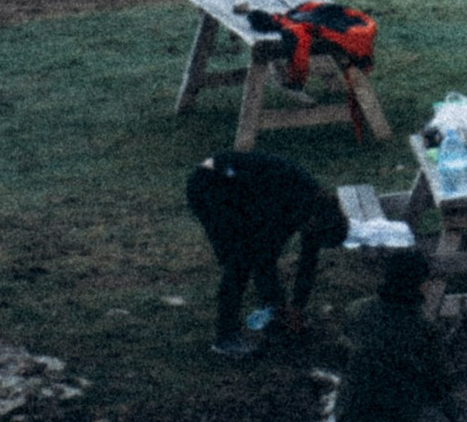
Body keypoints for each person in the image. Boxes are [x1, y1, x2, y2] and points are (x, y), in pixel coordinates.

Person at [185, 149, 347, 359]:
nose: (309, 240)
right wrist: (280, 304)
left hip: (241, 189)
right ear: (313, 223)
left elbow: (308, 262)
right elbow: (262, 252)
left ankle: (275, 317)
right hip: (212, 182)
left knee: (257, 256)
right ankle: (225, 337)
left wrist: (297, 307)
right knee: (239, 260)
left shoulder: (317, 212)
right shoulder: (289, 202)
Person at [334, 246, 451, 422]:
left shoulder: (357, 311)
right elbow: (439, 385)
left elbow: (343, 354)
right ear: (420, 285)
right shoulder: (424, 330)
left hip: (350, 411)